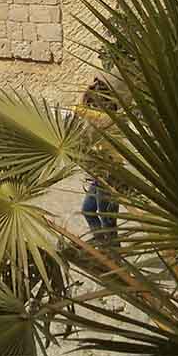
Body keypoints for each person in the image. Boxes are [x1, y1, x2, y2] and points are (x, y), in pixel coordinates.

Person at [77, 78, 120, 247]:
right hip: (101, 174)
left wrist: (86, 91)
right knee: (88, 209)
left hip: (112, 175)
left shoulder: (106, 118)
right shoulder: (106, 117)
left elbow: (78, 108)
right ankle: (101, 242)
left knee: (108, 221)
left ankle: (115, 255)